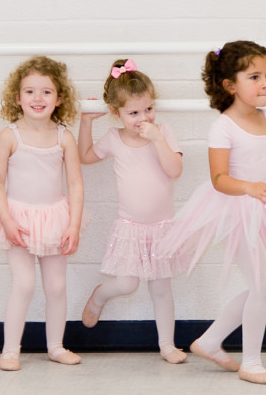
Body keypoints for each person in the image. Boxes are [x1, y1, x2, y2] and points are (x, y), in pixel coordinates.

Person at [162, 41, 266, 385]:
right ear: (230, 86)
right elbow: (219, 178)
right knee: (263, 285)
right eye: (254, 76)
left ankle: (209, 341)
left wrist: (260, 189)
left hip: (261, 206)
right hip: (235, 209)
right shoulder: (224, 125)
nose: (265, 83)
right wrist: (250, 187)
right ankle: (250, 363)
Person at [77, 59, 188, 364]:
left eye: (148, 109)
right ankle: (100, 294)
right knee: (127, 283)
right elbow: (85, 157)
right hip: (131, 227)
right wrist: (86, 122)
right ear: (117, 113)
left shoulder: (163, 131)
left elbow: (174, 169)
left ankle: (167, 345)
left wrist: (157, 139)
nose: (143, 118)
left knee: (161, 287)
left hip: (163, 227)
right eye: (134, 112)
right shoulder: (115, 138)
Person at [0, 56, 86, 370]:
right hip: (18, 221)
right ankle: (10, 350)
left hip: (55, 219)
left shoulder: (63, 137)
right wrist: (7, 221)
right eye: (29, 92)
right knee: (24, 285)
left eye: (46, 92)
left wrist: (75, 225)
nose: (37, 98)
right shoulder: (9, 136)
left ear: (59, 98)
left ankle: (56, 346)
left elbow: (76, 185)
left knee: (56, 286)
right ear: (17, 98)